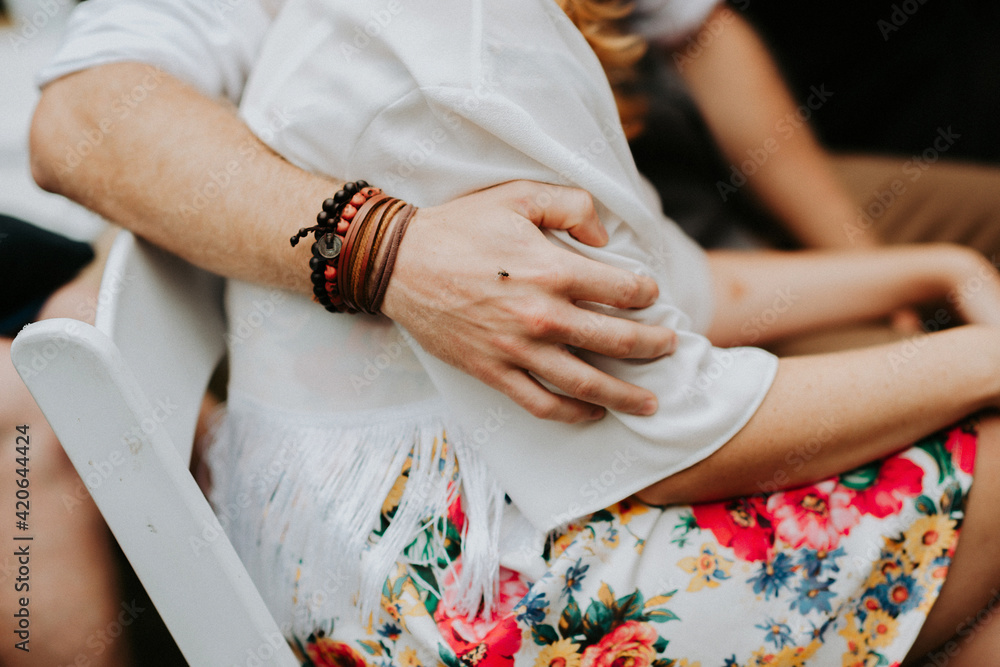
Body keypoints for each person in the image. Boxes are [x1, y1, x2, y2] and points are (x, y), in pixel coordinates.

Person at [29, 1, 1000, 666]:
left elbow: (669, 287)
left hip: (389, 556)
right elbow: (678, 445)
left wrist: (932, 269)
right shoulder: (461, 56)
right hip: (453, 612)